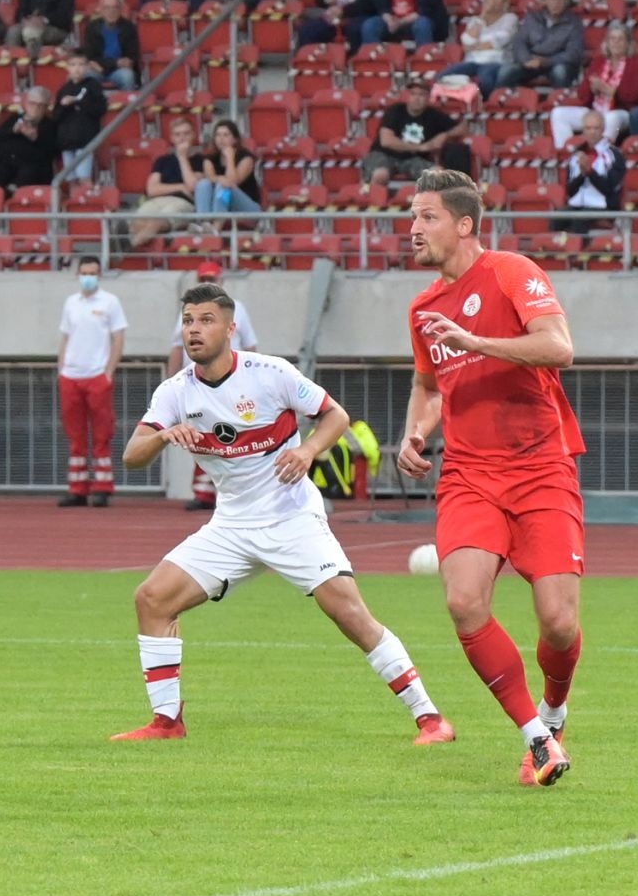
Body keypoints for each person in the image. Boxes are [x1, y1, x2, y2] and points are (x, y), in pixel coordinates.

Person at [114, 283, 454, 744]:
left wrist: (308, 451)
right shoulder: (175, 392)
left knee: (348, 612)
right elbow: (132, 455)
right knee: (151, 599)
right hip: (232, 525)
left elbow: (336, 416)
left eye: (206, 320)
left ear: (230, 329)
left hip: (291, 517)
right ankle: (167, 722)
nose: (194, 330)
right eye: (188, 321)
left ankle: (431, 718)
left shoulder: (270, 373)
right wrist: (161, 435)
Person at [398, 168, 583, 787]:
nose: (413, 227)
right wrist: (415, 432)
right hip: (469, 473)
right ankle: (536, 739)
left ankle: (554, 713)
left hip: (540, 467)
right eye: (412, 216)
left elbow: (558, 347)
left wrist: (475, 340)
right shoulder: (422, 307)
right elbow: (429, 387)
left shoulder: (510, 271)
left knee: (559, 623)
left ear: (464, 224)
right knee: (463, 601)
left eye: (426, 216)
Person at [166, 260, 260, 510]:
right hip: (198, 383)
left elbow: (250, 346)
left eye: (212, 279)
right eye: (203, 279)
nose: (208, 283)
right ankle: (204, 492)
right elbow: (177, 347)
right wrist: (171, 383)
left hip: (231, 383)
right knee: (203, 436)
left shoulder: (236, 309)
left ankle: (236, 492)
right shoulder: (189, 312)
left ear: (222, 281)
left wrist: (253, 380)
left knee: (236, 436)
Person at [55, 257, 125, 508]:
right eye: (84, 273)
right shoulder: (71, 303)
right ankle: (78, 488)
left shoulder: (110, 302)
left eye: (92, 273)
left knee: (102, 432)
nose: (88, 277)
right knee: (75, 434)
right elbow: (65, 337)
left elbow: (118, 337)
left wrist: (108, 372)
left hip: (96, 375)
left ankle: (103, 487)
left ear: (99, 275)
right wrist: (61, 368)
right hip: (71, 376)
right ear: (78, 274)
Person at [362, 79, 471, 189]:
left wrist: (445, 135)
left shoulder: (434, 115)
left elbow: (463, 127)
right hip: (384, 154)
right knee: (381, 175)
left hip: (412, 159)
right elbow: (386, 141)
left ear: (428, 98)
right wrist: (421, 147)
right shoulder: (395, 111)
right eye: (413, 94)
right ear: (407, 96)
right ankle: (371, 197)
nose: (416, 98)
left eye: (421, 95)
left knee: (438, 174)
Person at [549, 22, 638, 146]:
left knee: (611, 118)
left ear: (628, 43)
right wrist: (591, 88)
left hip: (622, 113)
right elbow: (582, 94)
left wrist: (612, 92)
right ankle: (568, 153)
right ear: (607, 42)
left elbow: (634, 97)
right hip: (596, 109)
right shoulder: (599, 61)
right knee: (558, 114)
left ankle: (601, 154)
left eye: (620, 39)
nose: (616, 43)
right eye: (612, 39)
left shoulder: (635, 63)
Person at [127, 117, 208, 249]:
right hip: (158, 200)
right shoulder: (162, 160)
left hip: (183, 202)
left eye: (186, 133)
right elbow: (152, 189)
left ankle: (128, 250)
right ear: (172, 138)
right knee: (137, 222)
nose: (182, 138)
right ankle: (134, 246)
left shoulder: (201, 160)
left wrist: (182, 157)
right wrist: (180, 186)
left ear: (194, 135)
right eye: (178, 134)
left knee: (156, 223)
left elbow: (193, 186)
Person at [497, 0, 586, 92]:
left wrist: (545, 61)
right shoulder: (533, 18)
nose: (556, 3)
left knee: (560, 72)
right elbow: (519, 41)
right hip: (531, 61)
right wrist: (526, 59)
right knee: (506, 71)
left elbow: (573, 53)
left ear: (566, 1)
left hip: (557, 63)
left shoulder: (574, 23)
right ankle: (504, 101)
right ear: (544, 0)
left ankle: (559, 102)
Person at [436, 0, 519, 98]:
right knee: (442, 76)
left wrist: (474, 46)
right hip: (472, 62)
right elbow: (466, 42)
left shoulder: (510, 18)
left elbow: (501, 40)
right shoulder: (476, 20)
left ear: (504, 0)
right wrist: (482, 17)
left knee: (485, 80)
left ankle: (485, 104)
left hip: (496, 61)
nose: (493, 0)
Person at [0, 86, 60, 190]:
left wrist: (36, 138)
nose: (35, 108)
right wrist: (12, 130)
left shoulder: (50, 125)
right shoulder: (15, 118)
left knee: (28, 172)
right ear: (26, 103)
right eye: (32, 103)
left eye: (40, 105)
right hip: (6, 163)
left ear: (46, 107)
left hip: (32, 168)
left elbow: (53, 151)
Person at [560, 109, 624, 233]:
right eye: (588, 128)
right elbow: (569, 190)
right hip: (578, 205)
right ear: (583, 130)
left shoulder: (614, 155)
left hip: (604, 206)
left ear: (603, 129)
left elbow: (611, 189)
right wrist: (582, 175)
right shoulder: (576, 155)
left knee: (580, 219)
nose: (592, 132)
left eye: (596, 128)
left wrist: (590, 172)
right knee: (556, 218)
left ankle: (580, 246)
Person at [52, 55, 108, 181]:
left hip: (85, 140)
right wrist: (64, 106)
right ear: (67, 68)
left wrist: (78, 102)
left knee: (84, 177)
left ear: (87, 67)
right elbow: (56, 116)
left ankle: (88, 194)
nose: (77, 68)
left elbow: (100, 109)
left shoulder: (93, 86)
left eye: (81, 64)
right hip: (67, 141)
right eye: (73, 65)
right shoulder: (63, 90)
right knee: (71, 179)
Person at [195, 119, 263, 217]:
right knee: (203, 184)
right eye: (218, 135)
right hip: (220, 204)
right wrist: (220, 179)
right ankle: (203, 221)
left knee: (224, 187)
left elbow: (232, 182)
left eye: (226, 135)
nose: (221, 139)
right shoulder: (210, 159)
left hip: (248, 206)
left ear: (235, 139)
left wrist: (230, 158)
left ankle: (216, 224)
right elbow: (209, 178)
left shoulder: (246, 158)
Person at [79, 0, 140, 91]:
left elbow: (132, 56)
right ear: (100, 10)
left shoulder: (129, 27)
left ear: (120, 10)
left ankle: (127, 101)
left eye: (115, 7)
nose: (111, 11)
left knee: (127, 76)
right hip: (97, 70)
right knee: (81, 74)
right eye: (107, 8)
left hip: (119, 71)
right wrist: (116, 63)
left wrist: (125, 63)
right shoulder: (92, 27)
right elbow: (90, 57)